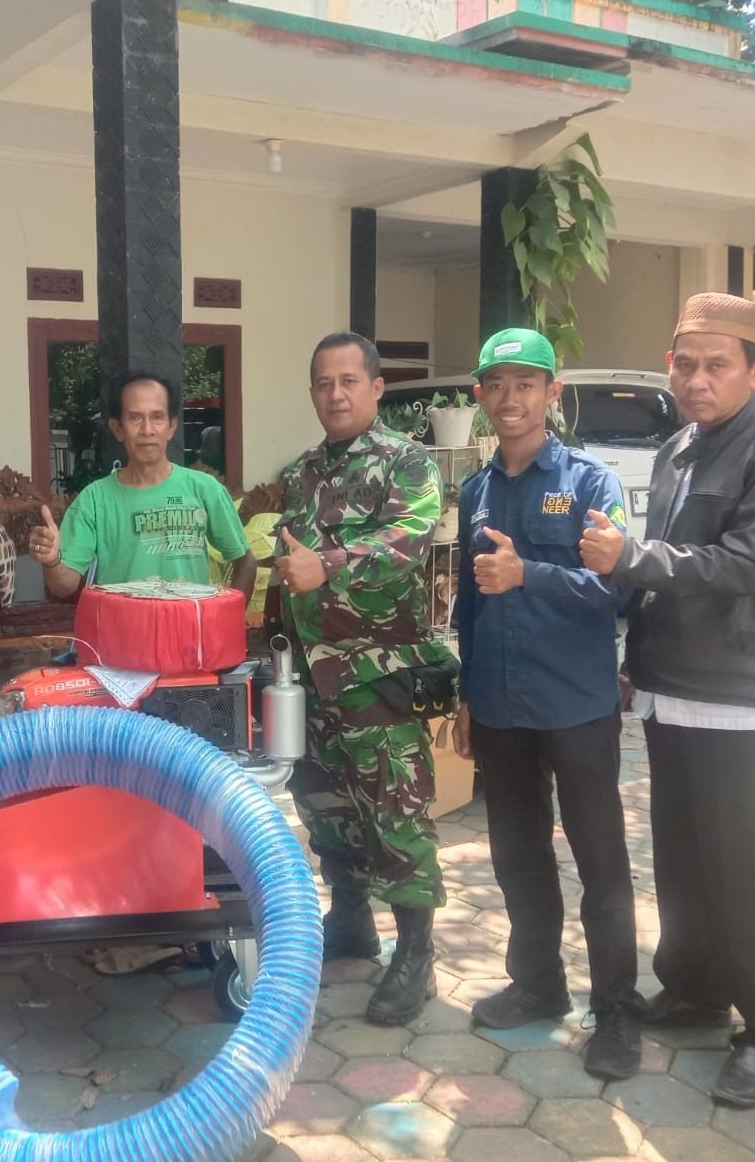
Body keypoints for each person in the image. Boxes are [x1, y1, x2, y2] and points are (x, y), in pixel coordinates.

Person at [579, 293, 755, 1108]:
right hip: (673, 693)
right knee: (682, 862)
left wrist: (631, 558)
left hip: (745, 698)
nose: (696, 379)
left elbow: (743, 566)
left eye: (717, 365)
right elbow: (671, 570)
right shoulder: (682, 446)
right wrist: (636, 659)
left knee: (746, 874)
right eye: (684, 363)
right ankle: (693, 990)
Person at [451, 328, 645, 1079]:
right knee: (518, 856)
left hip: (577, 705)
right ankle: (538, 983)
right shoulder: (475, 489)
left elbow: (617, 588)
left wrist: (529, 573)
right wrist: (469, 694)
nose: (510, 398)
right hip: (501, 705)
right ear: (479, 397)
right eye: (496, 384)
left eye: (525, 383)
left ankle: (618, 1010)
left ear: (551, 394)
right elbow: (470, 601)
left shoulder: (593, 483)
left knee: (601, 861)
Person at [274, 330, 449, 1025]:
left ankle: (417, 953)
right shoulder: (300, 473)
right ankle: (350, 920)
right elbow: (287, 561)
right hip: (314, 678)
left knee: (395, 811)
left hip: (380, 676)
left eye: (349, 381)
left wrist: (332, 564)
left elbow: (409, 540)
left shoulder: (408, 464)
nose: (335, 394)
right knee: (324, 805)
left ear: (376, 388)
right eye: (323, 382)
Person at [28, 371, 257, 599]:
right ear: (118, 428)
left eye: (157, 417)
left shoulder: (204, 488)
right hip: (122, 632)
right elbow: (63, 586)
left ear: (171, 427)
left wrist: (226, 621)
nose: (147, 430)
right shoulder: (94, 500)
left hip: (190, 631)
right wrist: (52, 560)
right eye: (135, 418)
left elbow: (244, 561)